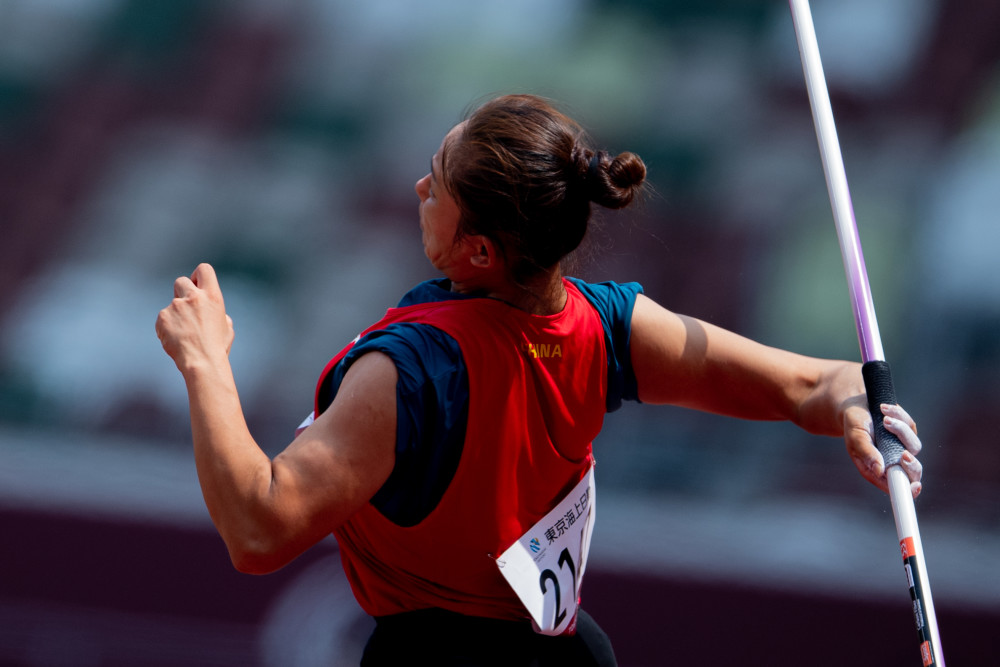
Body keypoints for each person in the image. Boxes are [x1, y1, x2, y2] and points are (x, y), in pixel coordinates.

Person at [156, 94, 923, 666]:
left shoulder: (406, 374)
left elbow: (260, 529)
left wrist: (204, 360)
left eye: (436, 182)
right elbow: (816, 384)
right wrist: (861, 405)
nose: (420, 191)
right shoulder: (609, 324)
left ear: (480, 250)